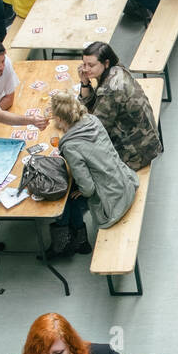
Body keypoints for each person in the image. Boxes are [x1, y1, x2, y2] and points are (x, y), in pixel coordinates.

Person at [49, 91, 139, 253]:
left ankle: (69, 243)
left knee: (70, 197)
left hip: (113, 204)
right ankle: (77, 239)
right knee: (75, 190)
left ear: (59, 119)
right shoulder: (92, 120)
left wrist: (81, 191)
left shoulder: (70, 146)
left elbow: (88, 189)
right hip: (126, 182)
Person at [77, 41, 162, 171]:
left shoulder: (111, 89)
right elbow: (96, 105)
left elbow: (95, 128)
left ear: (105, 63)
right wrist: (84, 83)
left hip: (137, 152)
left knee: (81, 155)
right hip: (147, 138)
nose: (85, 69)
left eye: (91, 65)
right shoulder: (116, 69)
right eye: (84, 64)